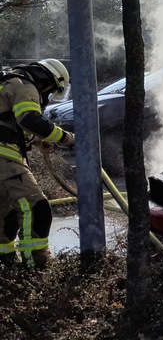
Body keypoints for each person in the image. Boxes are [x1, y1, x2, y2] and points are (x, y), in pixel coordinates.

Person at [0, 59, 74, 269]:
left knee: (6, 215)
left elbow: (8, 125)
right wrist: (66, 138)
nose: (47, 95)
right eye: (50, 90)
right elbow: (30, 120)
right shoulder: (24, 85)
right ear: (47, 81)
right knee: (36, 208)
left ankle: (7, 268)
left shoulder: (8, 82)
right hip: (4, 159)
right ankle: (36, 269)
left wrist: (38, 141)